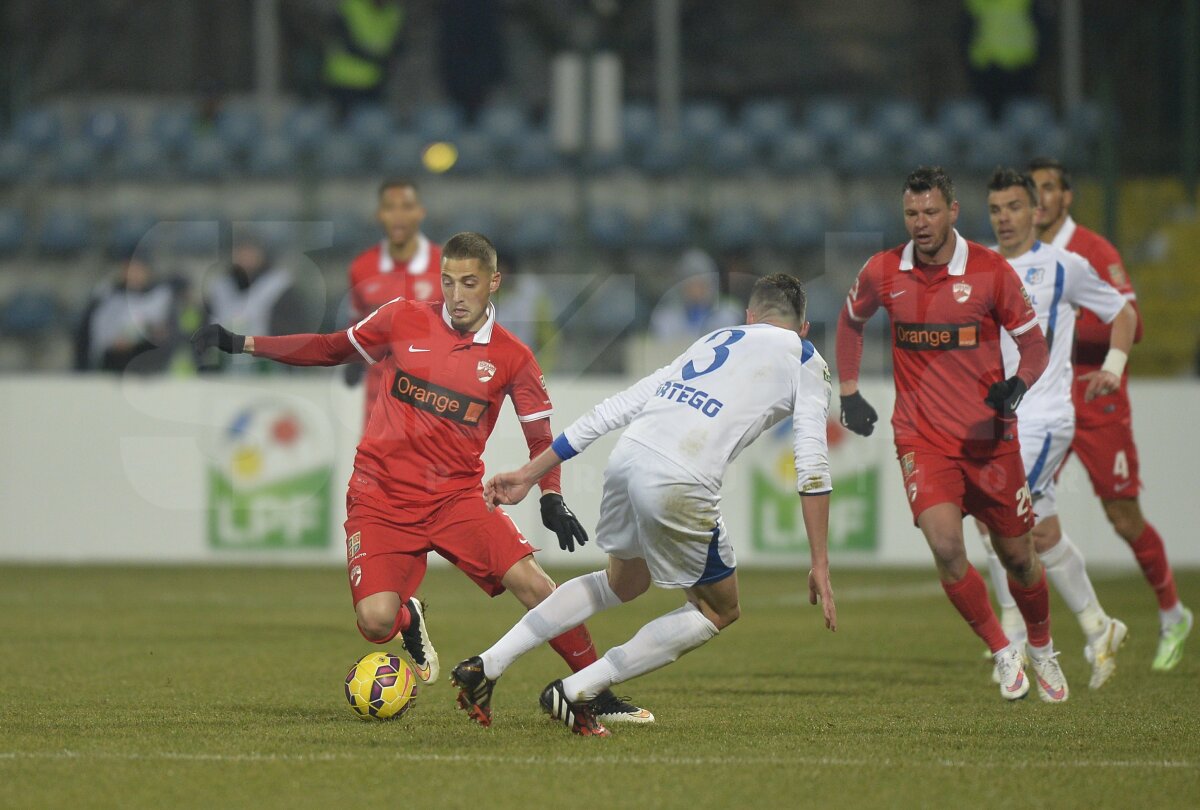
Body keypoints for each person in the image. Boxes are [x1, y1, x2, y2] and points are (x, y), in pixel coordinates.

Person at [192, 232, 651, 726]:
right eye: (448, 281)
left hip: (456, 499)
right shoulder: (403, 316)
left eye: (469, 283)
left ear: (493, 282)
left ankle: (595, 689)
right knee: (375, 623)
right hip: (379, 497)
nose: (456, 295)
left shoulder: (513, 357)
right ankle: (408, 616)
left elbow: (541, 439)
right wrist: (243, 343)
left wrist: (551, 496)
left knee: (536, 585)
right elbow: (329, 348)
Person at [450, 273, 837, 737]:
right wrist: (820, 561)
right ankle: (577, 691)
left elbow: (616, 407)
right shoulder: (806, 358)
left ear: (749, 318)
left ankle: (486, 664)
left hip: (629, 457)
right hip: (681, 477)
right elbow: (812, 460)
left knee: (623, 581)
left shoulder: (715, 339)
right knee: (718, 610)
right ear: (804, 328)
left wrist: (531, 472)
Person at [836, 166, 1066, 702]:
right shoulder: (882, 270)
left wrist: (1018, 385)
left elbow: (1034, 346)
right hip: (921, 437)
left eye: (931, 212)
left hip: (990, 440)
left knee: (1019, 559)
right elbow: (850, 321)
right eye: (912, 213)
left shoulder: (989, 271)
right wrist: (848, 390)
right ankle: (1000, 648)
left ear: (953, 212)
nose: (921, 223)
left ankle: (1042, 647)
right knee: (944, 544)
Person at [974, 168, 1138, 690]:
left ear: (1035, 211)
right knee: (1038, 531)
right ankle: (1098, 626)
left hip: (1043, 418)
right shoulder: (980, 266)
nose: (1004, 218)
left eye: (1014, 207)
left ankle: (1014, 642)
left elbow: (1123, 312)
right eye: (996, 209)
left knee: (999, 521)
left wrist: (1112, 367)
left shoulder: (1063, 266)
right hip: (998, 418)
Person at [1030, 156, 1193, 670]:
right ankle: (1041, 633)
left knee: (1123, 517)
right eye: (1031, 190)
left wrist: (1070, 321)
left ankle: (1173, 614)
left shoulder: (1093, 252)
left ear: (1067, 197)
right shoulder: (1022, 258)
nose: (1039, 199)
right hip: (1044, 400)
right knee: (1020, 513)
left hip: (1096, 397)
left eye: (1048, 188)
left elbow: (1133, 323)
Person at [343, 179, 443, 426]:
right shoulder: (362, 268)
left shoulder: (445, 266)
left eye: (406, 207)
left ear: (420, 212)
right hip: (378, 406)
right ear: (379, 214)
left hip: (434, 404)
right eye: (390, 207)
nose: (398, 216)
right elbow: (357, 323)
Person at [203, 233, 308, 374]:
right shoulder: (220, 288)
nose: (245, 257)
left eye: (250, 252)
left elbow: (293, 330)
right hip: (226, 369)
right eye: (240, 251)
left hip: (269, 368)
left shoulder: (279, 285)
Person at [74, 254, 186, 374]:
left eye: (138, 269)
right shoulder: (107, 296)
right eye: (129, 269)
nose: (133, 274)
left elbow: (169, 333)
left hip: (150, 368)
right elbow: (90, 333)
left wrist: (147, 334)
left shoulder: (161, 297)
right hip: (112, 366)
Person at [322, 0, 405, 120]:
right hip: (343, 82)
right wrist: (380, 59)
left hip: (374, 83)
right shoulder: (351, 6)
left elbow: (399, 44)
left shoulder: (394, 12)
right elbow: (347, 43)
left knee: (372, 125)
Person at [649, 249, 744, 341]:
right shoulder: (665, 318)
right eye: (691, 284)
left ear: (712, 284)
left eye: (702, 283)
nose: (696, 289)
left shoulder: (730, 312)